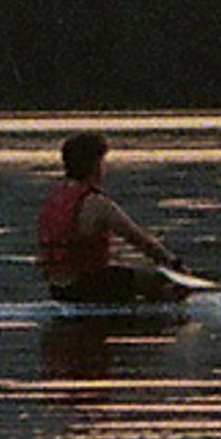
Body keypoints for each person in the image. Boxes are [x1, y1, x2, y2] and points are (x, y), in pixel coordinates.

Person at [35, 130, 190, 308]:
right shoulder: (97, 204)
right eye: (102, 163)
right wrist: (176, 266)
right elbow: (142, 242)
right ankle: (165, 322)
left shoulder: (52, 201)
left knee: (124, 273)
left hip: (58, 289)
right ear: (95, 165)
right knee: (162, 280)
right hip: (90, 287)